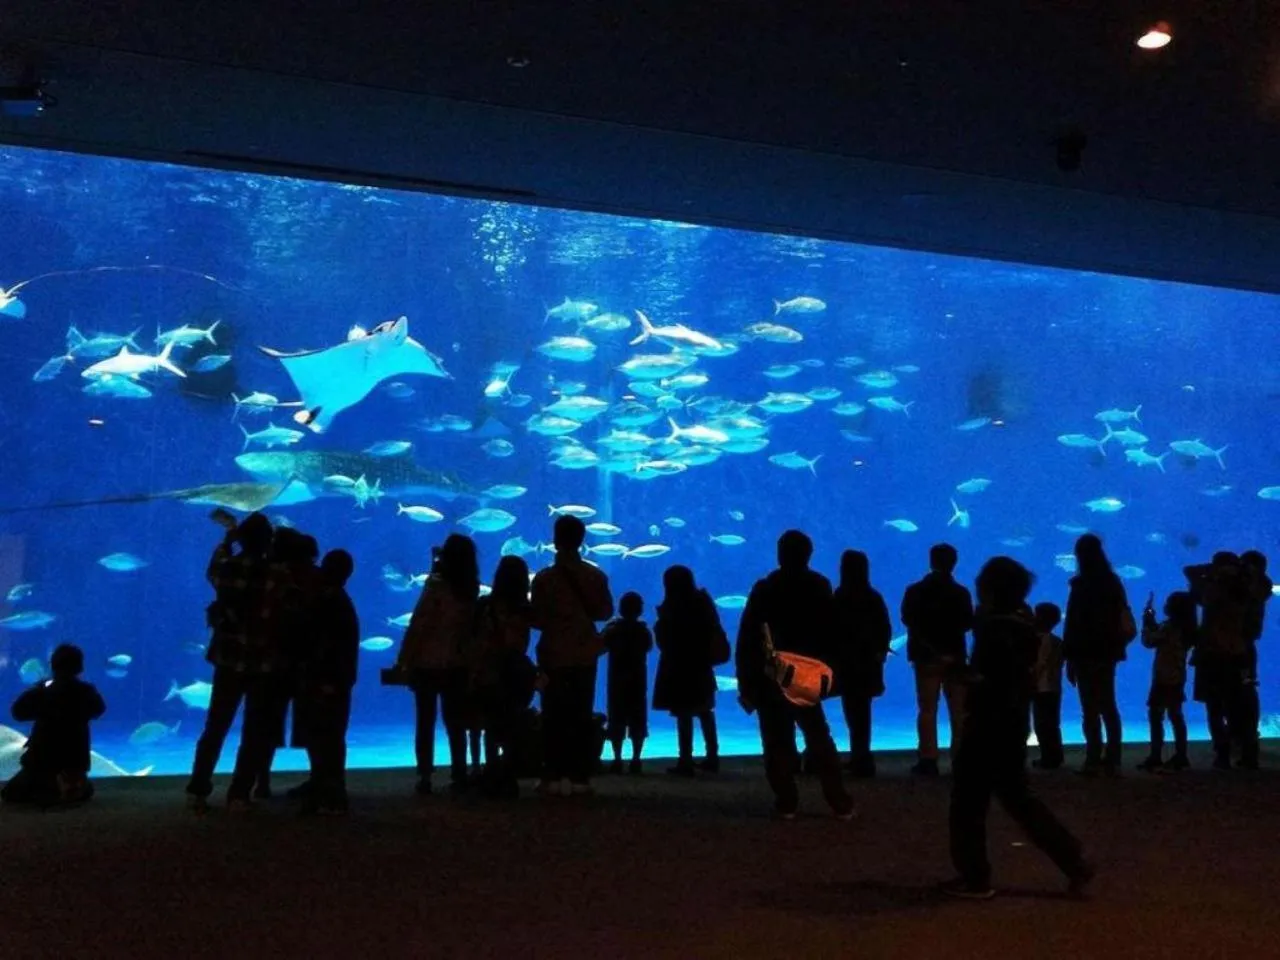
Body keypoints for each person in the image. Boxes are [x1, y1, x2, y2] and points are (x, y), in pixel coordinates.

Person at [944, 556, 1093, 900]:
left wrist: (957, 671)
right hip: (1013, 722)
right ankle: (1075, 860)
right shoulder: (1024, 624)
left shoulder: (995, 628)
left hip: (987, 723)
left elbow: (989, 677)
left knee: (968, 801)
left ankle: (975, 877)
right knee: (1019, 798)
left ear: (991, 589)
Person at [735, 530, 854, 820]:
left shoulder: (765, 588)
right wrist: (833, 673)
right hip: (809, 677)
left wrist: (746, 679)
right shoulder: (819, 586)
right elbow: (834, 631)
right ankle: (839, 802)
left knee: (776, 740)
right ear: (809, 555)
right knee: (819, 737)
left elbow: (749, 636)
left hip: (771, 675)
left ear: (780, 554)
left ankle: (786, 801)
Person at [186, 511, 277, 811]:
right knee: (254, 732)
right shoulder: (274, 574)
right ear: (268, 542)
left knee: (215, 727)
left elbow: (212, 569)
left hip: (228, 660)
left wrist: (228, 539)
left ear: (242, 540)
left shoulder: (228, 568)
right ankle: (239, 793)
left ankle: (198, 789)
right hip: (262, 663)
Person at [530, 515, 614, 796]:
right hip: (583, 654)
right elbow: (604, 613)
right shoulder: (595, 575)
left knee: (552, 714)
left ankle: (551, 774)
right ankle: (579, 777)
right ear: (582, 540)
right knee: (580, 714)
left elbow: (537, 619)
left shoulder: (543, 579)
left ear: (555, 540)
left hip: (553, 653)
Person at [397, 534, 479, 795]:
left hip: (428, 662)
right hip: (458, 663)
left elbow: (419, 623)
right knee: (456, 721)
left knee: (425, 720)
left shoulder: (435, 585)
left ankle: (425, 776)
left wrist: (404, 657)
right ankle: (459, 772)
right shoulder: (472, 588)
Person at [256, 527, 321, 799]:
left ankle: (262, 782)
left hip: (272, 662)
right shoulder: (315, 580)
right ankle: (319, 779)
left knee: (266, 725)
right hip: (308, 663)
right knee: (314, 725)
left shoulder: (266, 577)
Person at [295, 549, 360, 814]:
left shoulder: (329, 601)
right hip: (337, 679)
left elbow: (324, 643)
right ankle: (329, 787)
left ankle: (329, 791)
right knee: (330, 736)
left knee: (324, 736)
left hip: (326, 678)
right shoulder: (342, 600)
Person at [901, 543, 974, 776]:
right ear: (954, 563)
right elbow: (967, 623)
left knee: (927, 710)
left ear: (931, 561)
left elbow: (907, 619)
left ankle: (928, 760)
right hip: (955, 657)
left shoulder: (915, 591)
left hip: (926, 657)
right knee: (959, 711)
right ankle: (961, 760)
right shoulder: (961, 592)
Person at [1, 645, 106, 806]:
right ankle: (72, 785)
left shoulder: (42, 693)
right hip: (74, 762)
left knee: (10, 793)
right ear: (80, 668)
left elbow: (18, 712)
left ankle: (52, 789)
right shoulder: (86, 692)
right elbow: (99, 710)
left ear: (51, 666)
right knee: (78, 784)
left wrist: (39, 687)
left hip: (42, 762)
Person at [1063, 534, 1132, 776]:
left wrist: (1068, 657)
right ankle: (1113, 759)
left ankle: (1093, 757)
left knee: (1089, 708)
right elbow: (1123, 614)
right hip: (1106, 652)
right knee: (1108, 706)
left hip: (1084, 653)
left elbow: (1072, 623)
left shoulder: (1079, 585)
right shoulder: (1112, 582)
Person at [470, 555, 535, 798]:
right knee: (511, 725)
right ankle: (508, 776)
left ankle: (491, 774)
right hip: (516, 673)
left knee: (490, 725)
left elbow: (473, 638)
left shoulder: (484, 604)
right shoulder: (525, 609)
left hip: (489, 671)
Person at [653, 566, 725, 777]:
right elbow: (713, 626)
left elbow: (665, 636)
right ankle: (712, 757)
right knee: (705, 710)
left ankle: (685, 759)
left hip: (678, 665)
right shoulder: (702, 600)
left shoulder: (672, 605)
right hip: (701, 663)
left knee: (684, 713)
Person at [1186, 552, 1254, 769]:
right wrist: (1235, 570)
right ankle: (1240, 752)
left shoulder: (1215, 589)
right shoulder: (1245, 589)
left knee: (1217, 707)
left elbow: (1190, 571)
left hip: (1214, 656)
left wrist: (1214, 570)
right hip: (1235, 655)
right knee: (1233, 705)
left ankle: (1225, 752)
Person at [831, 550, 891, 778]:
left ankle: (861, 758)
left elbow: (831, 628)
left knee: (852, 712)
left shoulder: (840, 595)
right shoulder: (873, 597)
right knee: (862, 712)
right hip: (867, 664)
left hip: (846, 664)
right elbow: (885, 627)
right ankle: (861, 757)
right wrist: (879, 653)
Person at [1137, 590, 1195, 773]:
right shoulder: (1186, 628)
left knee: (1156, 716)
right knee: (1176, 716)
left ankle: (1156, 755)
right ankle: (1181, 754)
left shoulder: (1170, 627)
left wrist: (1146, 622)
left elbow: (1149, 641)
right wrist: (1153, 623)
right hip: (1177, 676)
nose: (1165, 605)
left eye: (1169, 602)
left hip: (1163, 677)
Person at [602, 591, 653, 775]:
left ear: (620, 608)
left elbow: (602, 645)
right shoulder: (643, 630)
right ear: (640, 610)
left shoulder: (612, 629)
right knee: (638, 719)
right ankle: (636, 759)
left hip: (616, 680)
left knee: (616, 719)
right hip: (638, 680)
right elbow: (649, 646)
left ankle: (617, 759)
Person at [1239, 550, 1271, 767]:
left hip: (1243, 646)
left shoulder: (1259, 587)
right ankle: (1241, 740)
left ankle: (1249, 741)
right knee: (1238, 692)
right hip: (1238, 646)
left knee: (1246, 691)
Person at [1030, 603, 1065, 770]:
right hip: (1054, 687)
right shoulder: (1057, 641)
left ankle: (1049, 758)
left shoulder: (1039, 641)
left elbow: (1040, 664)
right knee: (1051, 723)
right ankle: (1054, 755)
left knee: (1043, 724)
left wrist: (1030, 680)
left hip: (1041, 687)